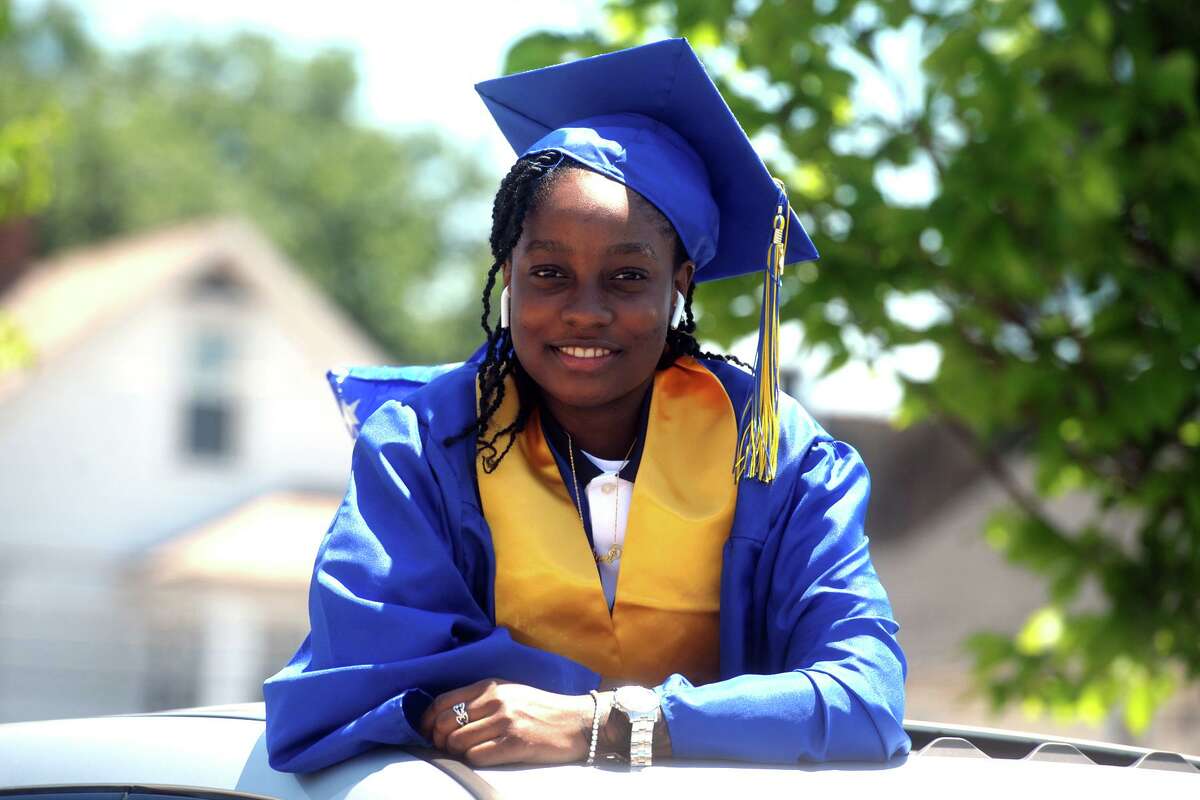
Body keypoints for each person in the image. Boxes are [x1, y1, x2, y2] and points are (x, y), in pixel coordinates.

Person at [263, 38, 908, 773]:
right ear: (508, 276)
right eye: (548, 273)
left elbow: (866, 700)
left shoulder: (773, 456)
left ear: (682, 285)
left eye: (628, 276)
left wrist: (604, 722)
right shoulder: (424, 450)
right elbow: (340, 695)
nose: (584, 311)